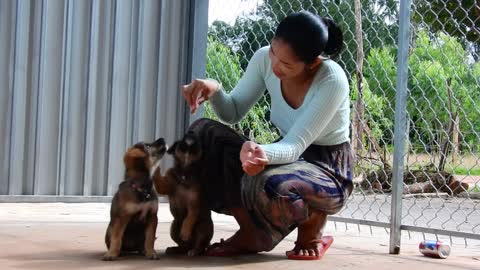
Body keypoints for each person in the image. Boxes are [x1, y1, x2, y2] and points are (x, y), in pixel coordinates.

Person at [181, 11, 353, 260]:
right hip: (286, 156)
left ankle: (312, 225)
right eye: (273, 52)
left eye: (286, 64)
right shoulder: (264, 58)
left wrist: (260, 153)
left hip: (327, 168)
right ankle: (252, 231)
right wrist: (214, 90)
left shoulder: (332, 79)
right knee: (202, 134)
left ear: (312, 63)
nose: (275, 66)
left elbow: (294, 146)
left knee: (268, 181)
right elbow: (233, 111)